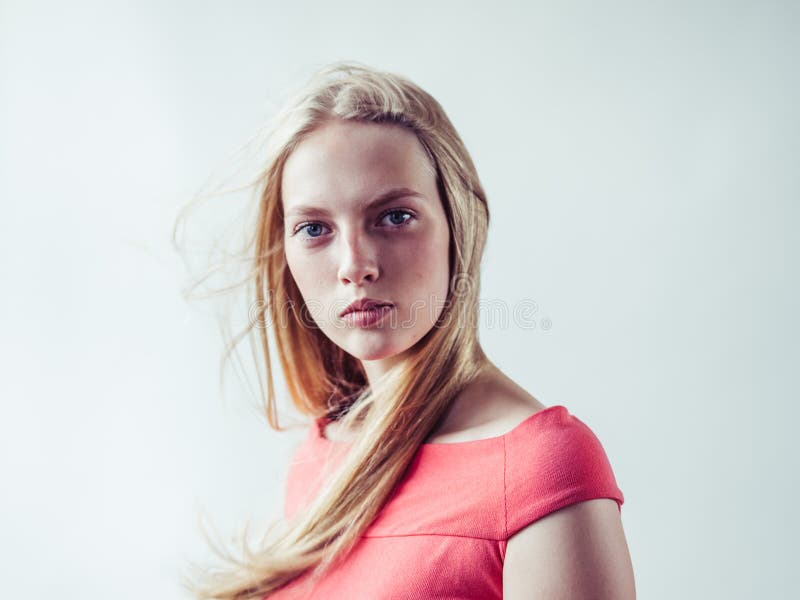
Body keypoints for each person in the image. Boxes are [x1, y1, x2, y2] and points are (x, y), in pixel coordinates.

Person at [186, 61, 636, 599]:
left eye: (394, 217)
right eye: (314, 228)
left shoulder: (543, 467)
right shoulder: (323, 452)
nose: (355, 264)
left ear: (459, 226)